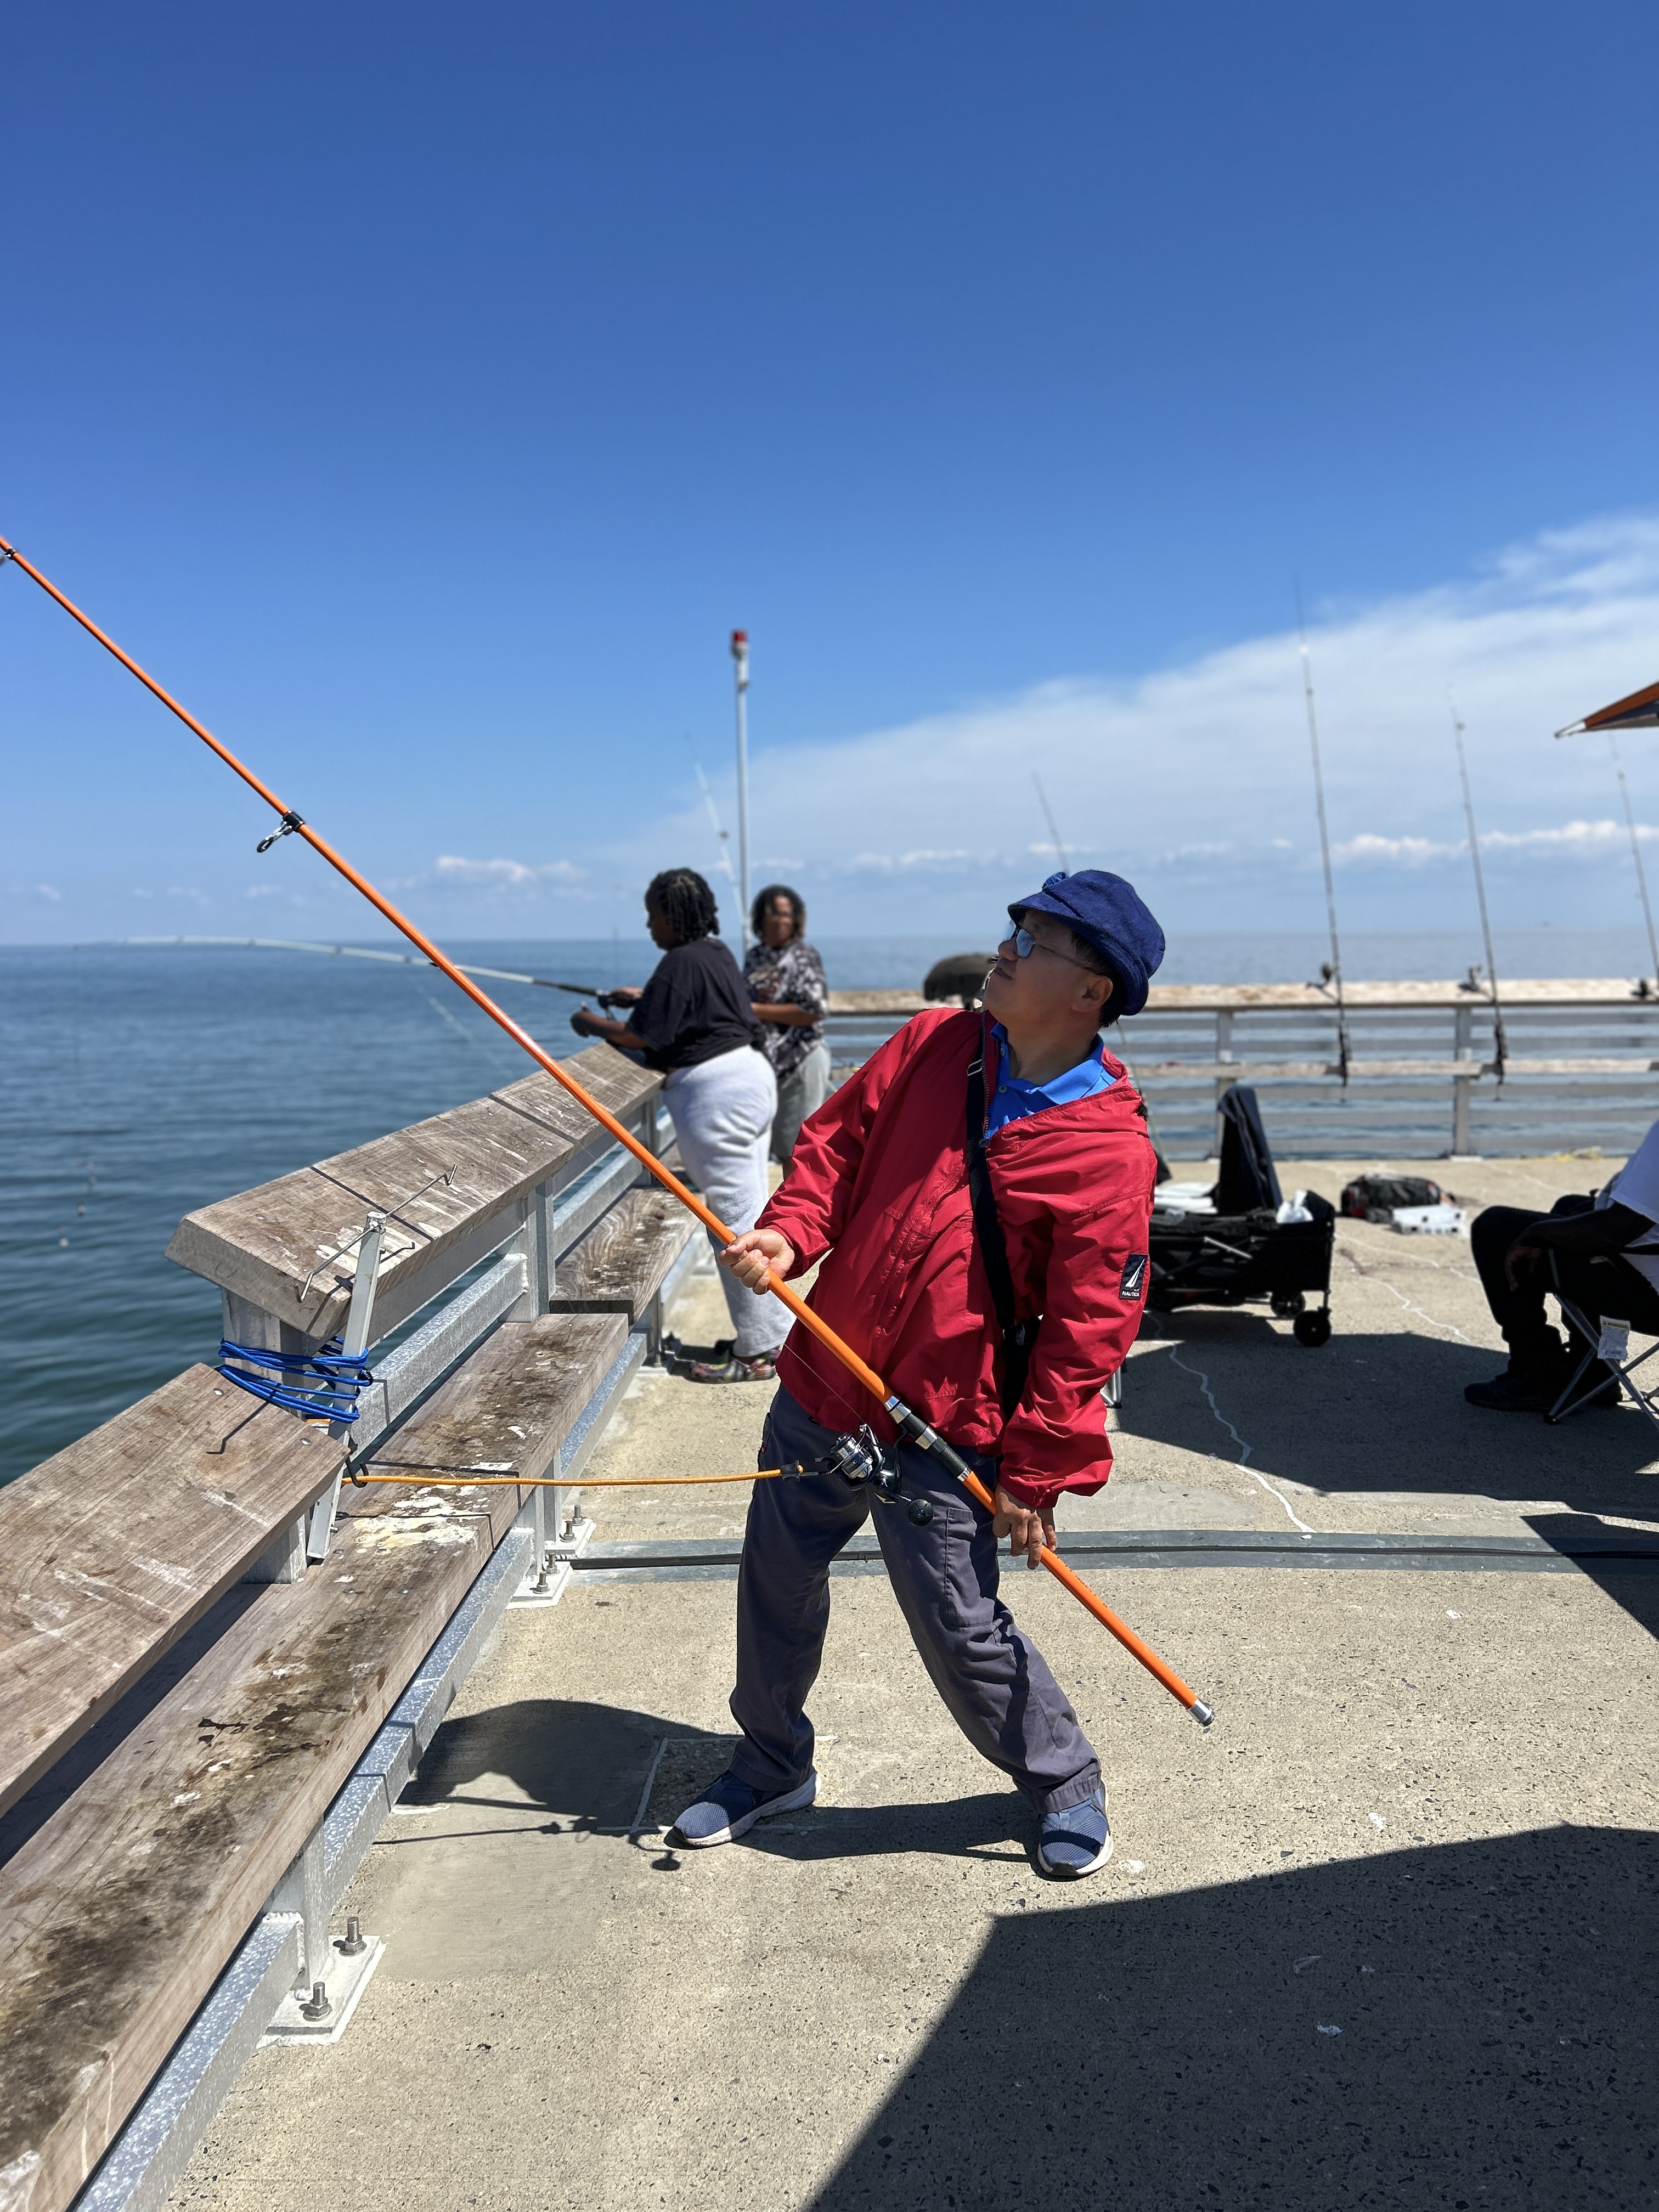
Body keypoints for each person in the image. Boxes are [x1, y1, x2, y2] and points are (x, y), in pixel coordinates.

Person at [671, 868, 1166, 1878]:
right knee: (773, 1585)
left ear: (1092, 991)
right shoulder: (933, 1042)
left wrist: (1037, 1472)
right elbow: (835, 1150)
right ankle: (770, 1764)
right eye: (1011, 930)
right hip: (824, 1381)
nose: (1003, 950)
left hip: (945, 1421)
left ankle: (1064, 1780)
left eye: (1031, 943)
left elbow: (1089, 1330)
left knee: (958, 1622)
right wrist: (788, 1234)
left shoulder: (1109, 1149)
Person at [570, 869, 789, 1384]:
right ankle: (769, 1337)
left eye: (653, 916)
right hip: (752, 1080)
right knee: (749, 1214)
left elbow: (642, 1040)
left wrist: (590, 1024)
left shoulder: (678, 961)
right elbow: (688, 1008)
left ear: (672, 915)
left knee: (732, 1225)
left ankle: (761, 1352)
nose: (650, 926)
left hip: (718, 1094)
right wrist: (645, 997)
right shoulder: (712, 953)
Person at [1464, 1118, 1659, 1412]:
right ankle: (1593, 1373)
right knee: (1571, 1207)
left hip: (1651, 1301)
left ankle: (1538, 1374)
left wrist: (1536, 1234)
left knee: (1495, 1228)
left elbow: (1615, 1230)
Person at [743, 884, 832, 1167]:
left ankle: (800, 1199)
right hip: (766, 1065)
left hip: (800, 1059)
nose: (780, 920)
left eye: (786, 914)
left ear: (796, 919)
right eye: (773, 913)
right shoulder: (756, 956)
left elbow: (815, 1009)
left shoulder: (803, 956)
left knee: (798, 1152)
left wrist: (756, 1010)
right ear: (760, 918)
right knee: (775, 1146)